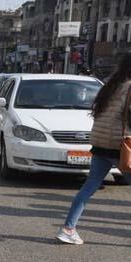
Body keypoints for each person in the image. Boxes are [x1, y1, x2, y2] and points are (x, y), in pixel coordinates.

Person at [56, 53, 131, 245]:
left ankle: (68, 228)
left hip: (100, 144)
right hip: (121, 146)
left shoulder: (111, 86)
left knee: (89, 186)